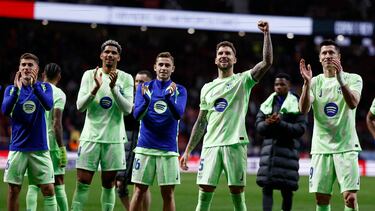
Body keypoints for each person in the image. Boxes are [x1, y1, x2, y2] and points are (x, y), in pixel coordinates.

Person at [180, 20, 273, 211]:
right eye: (220, 53)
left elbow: (267, 62)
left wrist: (266, 35)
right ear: (215, 59)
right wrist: (188, 150)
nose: (223, 56)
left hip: (235, 144)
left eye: (227, 53)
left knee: (237, 194)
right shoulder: (207, 88)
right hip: (211, 145)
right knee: (204, 193)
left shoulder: (243, 81)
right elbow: (201, 121)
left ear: (234, 60)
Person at [299, 39, 362, 211]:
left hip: (346, 146)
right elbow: (303, 109)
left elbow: (353, 103)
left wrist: (341, 80)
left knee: (350, 198)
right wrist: (306, 84)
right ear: (319, 58)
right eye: (324, 53)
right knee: (322, 199)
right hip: (321, 148)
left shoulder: (353, 79)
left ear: (338, 57)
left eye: (331, 52)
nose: (327, 56)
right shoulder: (315, 82)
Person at [72, 40, 134, 211]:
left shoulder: (126, 78)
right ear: (101, 55)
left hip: (113, 139)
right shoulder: (89, 75)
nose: (110, 55)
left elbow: (128, 109)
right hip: (90, 137)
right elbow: (80, 106)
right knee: (83, 182)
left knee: (109, 184)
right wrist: (95, 88)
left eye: (114, 53)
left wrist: (114, 88)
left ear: (118, 57)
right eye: (107, 52)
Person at [129, 52, 187, 211]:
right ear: (155, 67)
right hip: (145, 147)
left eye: (167, 65)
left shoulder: (180, 90)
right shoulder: (143, 87)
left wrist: (169, 98)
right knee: (139, 191)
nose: (163, 68)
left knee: (168, 194)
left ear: (173, 68)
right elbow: (137, 115)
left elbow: (178, 114)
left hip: (168, 149)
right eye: (160, 64)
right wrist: (147, 100)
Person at [2, 53, 57, 211]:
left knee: (48, 189)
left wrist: (35, 87)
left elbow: (48, 105)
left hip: (40, 148)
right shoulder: (11, 90)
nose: (26, 67)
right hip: (18, 148)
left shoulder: (45, 87)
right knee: (13, 191)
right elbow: (5, 110)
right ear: (19, 68)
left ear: (37, 69)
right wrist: (18, 91)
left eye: (30, 65)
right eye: (23, 65)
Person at [255, 73, 307, 211]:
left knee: (287, 192)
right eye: (276, 84)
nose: (279, 87)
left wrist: (281, 124)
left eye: (282, 84)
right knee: (266, 189)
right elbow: (259, 127)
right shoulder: (267, 103)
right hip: (269, 155)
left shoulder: (298, 103)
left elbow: (301, 129)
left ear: (289, 86)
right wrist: (267, 123)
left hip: (287, 155)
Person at [26, 63, 68, 211]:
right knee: (58, 182)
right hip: (51, 143)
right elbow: (56, 123)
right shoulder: (59, 94)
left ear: (43, 74)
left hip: (35, 142)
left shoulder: (33, 90)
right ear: (59, 76)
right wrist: (62, 148)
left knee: (33, 184)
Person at [116, 70, 153, 211]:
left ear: (149, 83)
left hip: (141, 144)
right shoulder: (127, 98)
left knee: (141, 185)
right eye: (136, 81)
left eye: (142, 81)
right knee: (120, 184)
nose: (138, 84)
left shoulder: (152, 100)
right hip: (124, 144)